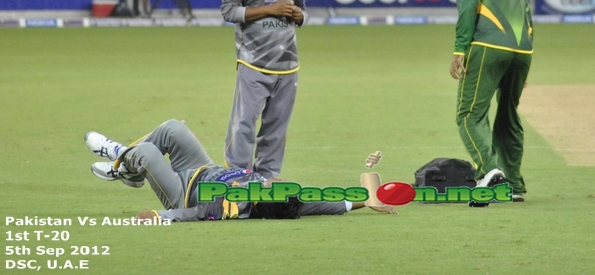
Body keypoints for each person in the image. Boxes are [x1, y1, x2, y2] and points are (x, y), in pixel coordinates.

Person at [83, 119, 397, 222]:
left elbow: (193, 214)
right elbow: (325, 201)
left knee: (150, 151)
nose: (281, 180)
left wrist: (159, 217)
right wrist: (364, 200)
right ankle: (124, 169)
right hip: (200, 167)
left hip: (181, 193)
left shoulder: (232, 202)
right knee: (173, 128)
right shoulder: (293, 199)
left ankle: (119, 159)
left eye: (279, 184)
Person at [446, 0, 533, 205]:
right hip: (522, 48)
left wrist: (459, 49)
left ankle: (490, 172)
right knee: (508, 115)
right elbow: (526, 9)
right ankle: (514, 184)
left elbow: (468, 3)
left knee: (468, 114)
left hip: (488, 46)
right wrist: (525, 57)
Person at [221, 0, 307, 178]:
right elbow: (229, 12)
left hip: (288, 65)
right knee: (244, 124)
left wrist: (299, 16)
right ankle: (236, 177)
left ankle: (268, 177)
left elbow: (301, 13)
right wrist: (271, 9)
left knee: (276, 128)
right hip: (253, 63)